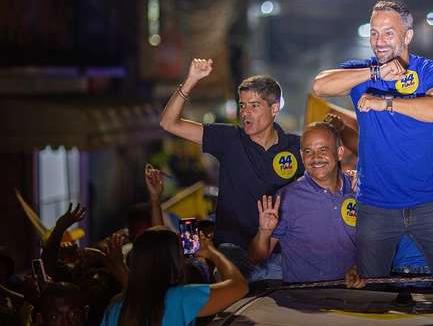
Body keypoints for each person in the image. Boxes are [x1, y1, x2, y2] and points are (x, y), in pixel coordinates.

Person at [312, 0, 433, 278]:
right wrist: (375, 73)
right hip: (375, 206)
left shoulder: (428, 70)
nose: (379, 41)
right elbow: (320, 85)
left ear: (407, 36)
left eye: (388, 33)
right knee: (372, 294)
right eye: (374, 32)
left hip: (428, 202)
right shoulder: (362, 71)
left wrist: (387, 103)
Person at [159, 58, 301, 281]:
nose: (246, 113)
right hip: (232, 251)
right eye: (242, 105)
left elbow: (327, 173)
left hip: (283, 253)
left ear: (274, 108)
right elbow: (169, 123)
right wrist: (190, 81)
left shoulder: (297, 147)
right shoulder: (228, 138)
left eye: (254, 106)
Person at [248, 122, 357, 283]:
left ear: (339, 152)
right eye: (308, 152)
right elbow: (255, 258)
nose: (315, 158)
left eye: (323, 150)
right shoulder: (285, 199)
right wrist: (264, 232)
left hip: (354, 299)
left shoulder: (358, 189)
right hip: (303, 301)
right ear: (301, 156)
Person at [100, 228, 247, 325]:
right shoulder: (182, 297)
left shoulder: (116, 307)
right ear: (174, 262)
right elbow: (240, 286)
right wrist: (212, 252)